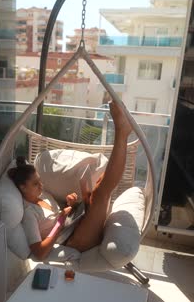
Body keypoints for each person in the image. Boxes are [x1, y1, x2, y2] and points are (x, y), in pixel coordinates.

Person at [8, 102, 131, 260]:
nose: (41, 185)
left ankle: (123, 133)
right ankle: (122, 133)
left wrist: (70, 205)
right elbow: (39, 252)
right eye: (35, 184)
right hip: (74, 239)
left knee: (100, 183)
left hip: (76, 222)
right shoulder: (28, 214)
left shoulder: (43, 196)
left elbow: (59, 216)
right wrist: (60, 222)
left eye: (40, 181)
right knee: (102, 192)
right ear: (22, 187)